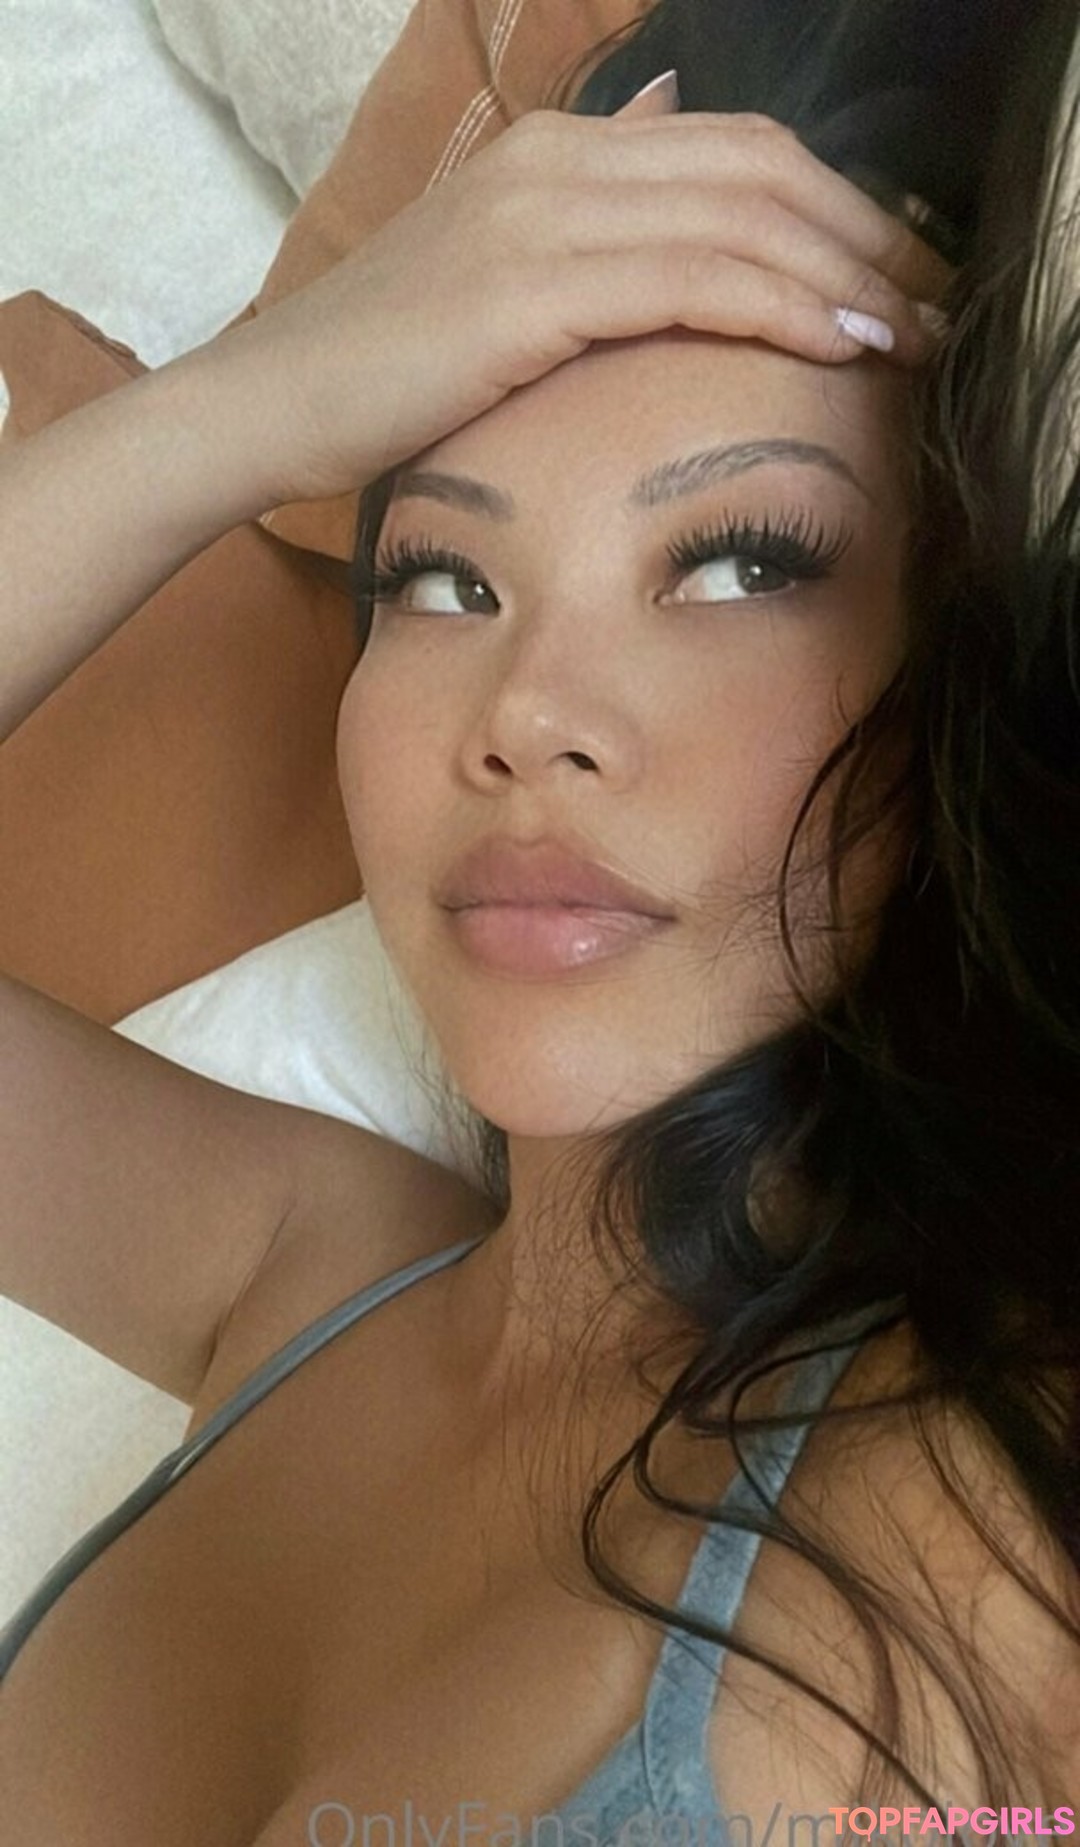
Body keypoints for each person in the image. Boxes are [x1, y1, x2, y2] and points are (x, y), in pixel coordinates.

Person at [1, 0, 1078, 1838]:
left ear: (955, 680)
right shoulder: (295, 1265)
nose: (527, 713)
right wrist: (243, 409)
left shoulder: (997, 1504)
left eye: (741, 561)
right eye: (440, 579)